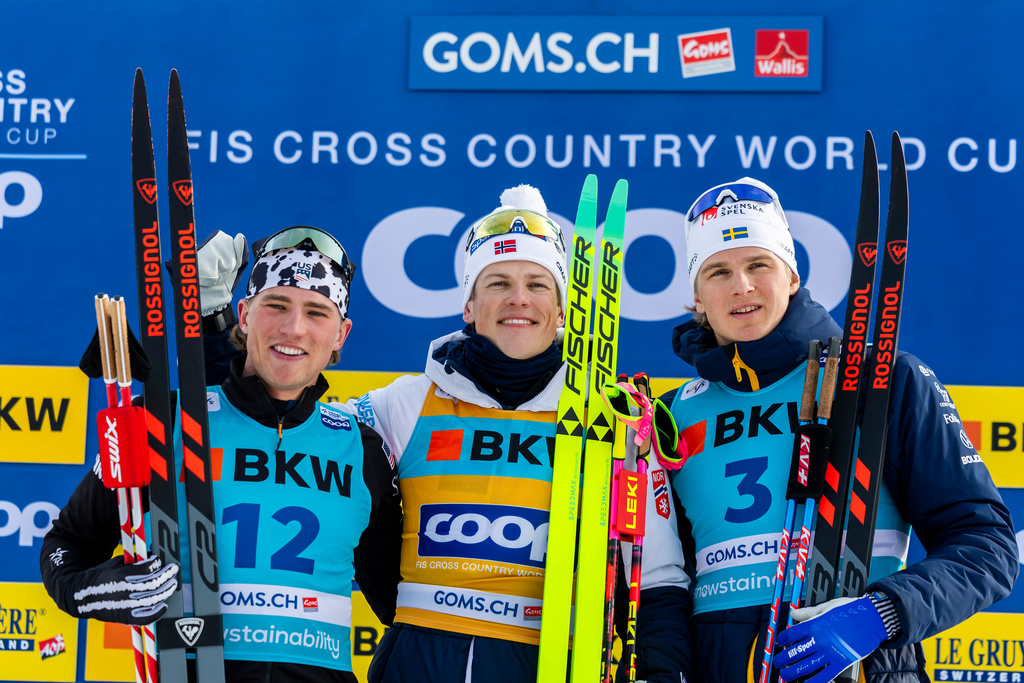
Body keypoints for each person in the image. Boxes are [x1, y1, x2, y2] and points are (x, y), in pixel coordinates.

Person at [332, 185, 696, 683]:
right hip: (418, 661)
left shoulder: (616, 419)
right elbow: (297, 430)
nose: (518, 299)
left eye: (538, 284)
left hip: (545, 662)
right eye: (497, 282)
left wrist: (664, 673)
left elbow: (657, 577)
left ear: (565, 308)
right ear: (469, 305)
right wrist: (221, 343)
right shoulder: (404, 404)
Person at [663, 178, 1019, 683]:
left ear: (791, 277)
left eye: (758, 264)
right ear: (697, 298)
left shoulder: (882, 382)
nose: (741, 286)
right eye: (718, 271)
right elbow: (660, 581)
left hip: (865, 667)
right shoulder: (670, 416)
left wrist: (882, 614)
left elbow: (987, 544)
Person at [41, 227, 403, 683]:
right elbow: (65, 546)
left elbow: (400, 604)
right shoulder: (162, 424)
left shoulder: (362, 449)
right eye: (276, 305)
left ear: (340, 335)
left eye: (317, 312)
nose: (294, 328)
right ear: (244, 315)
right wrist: (94, 591)